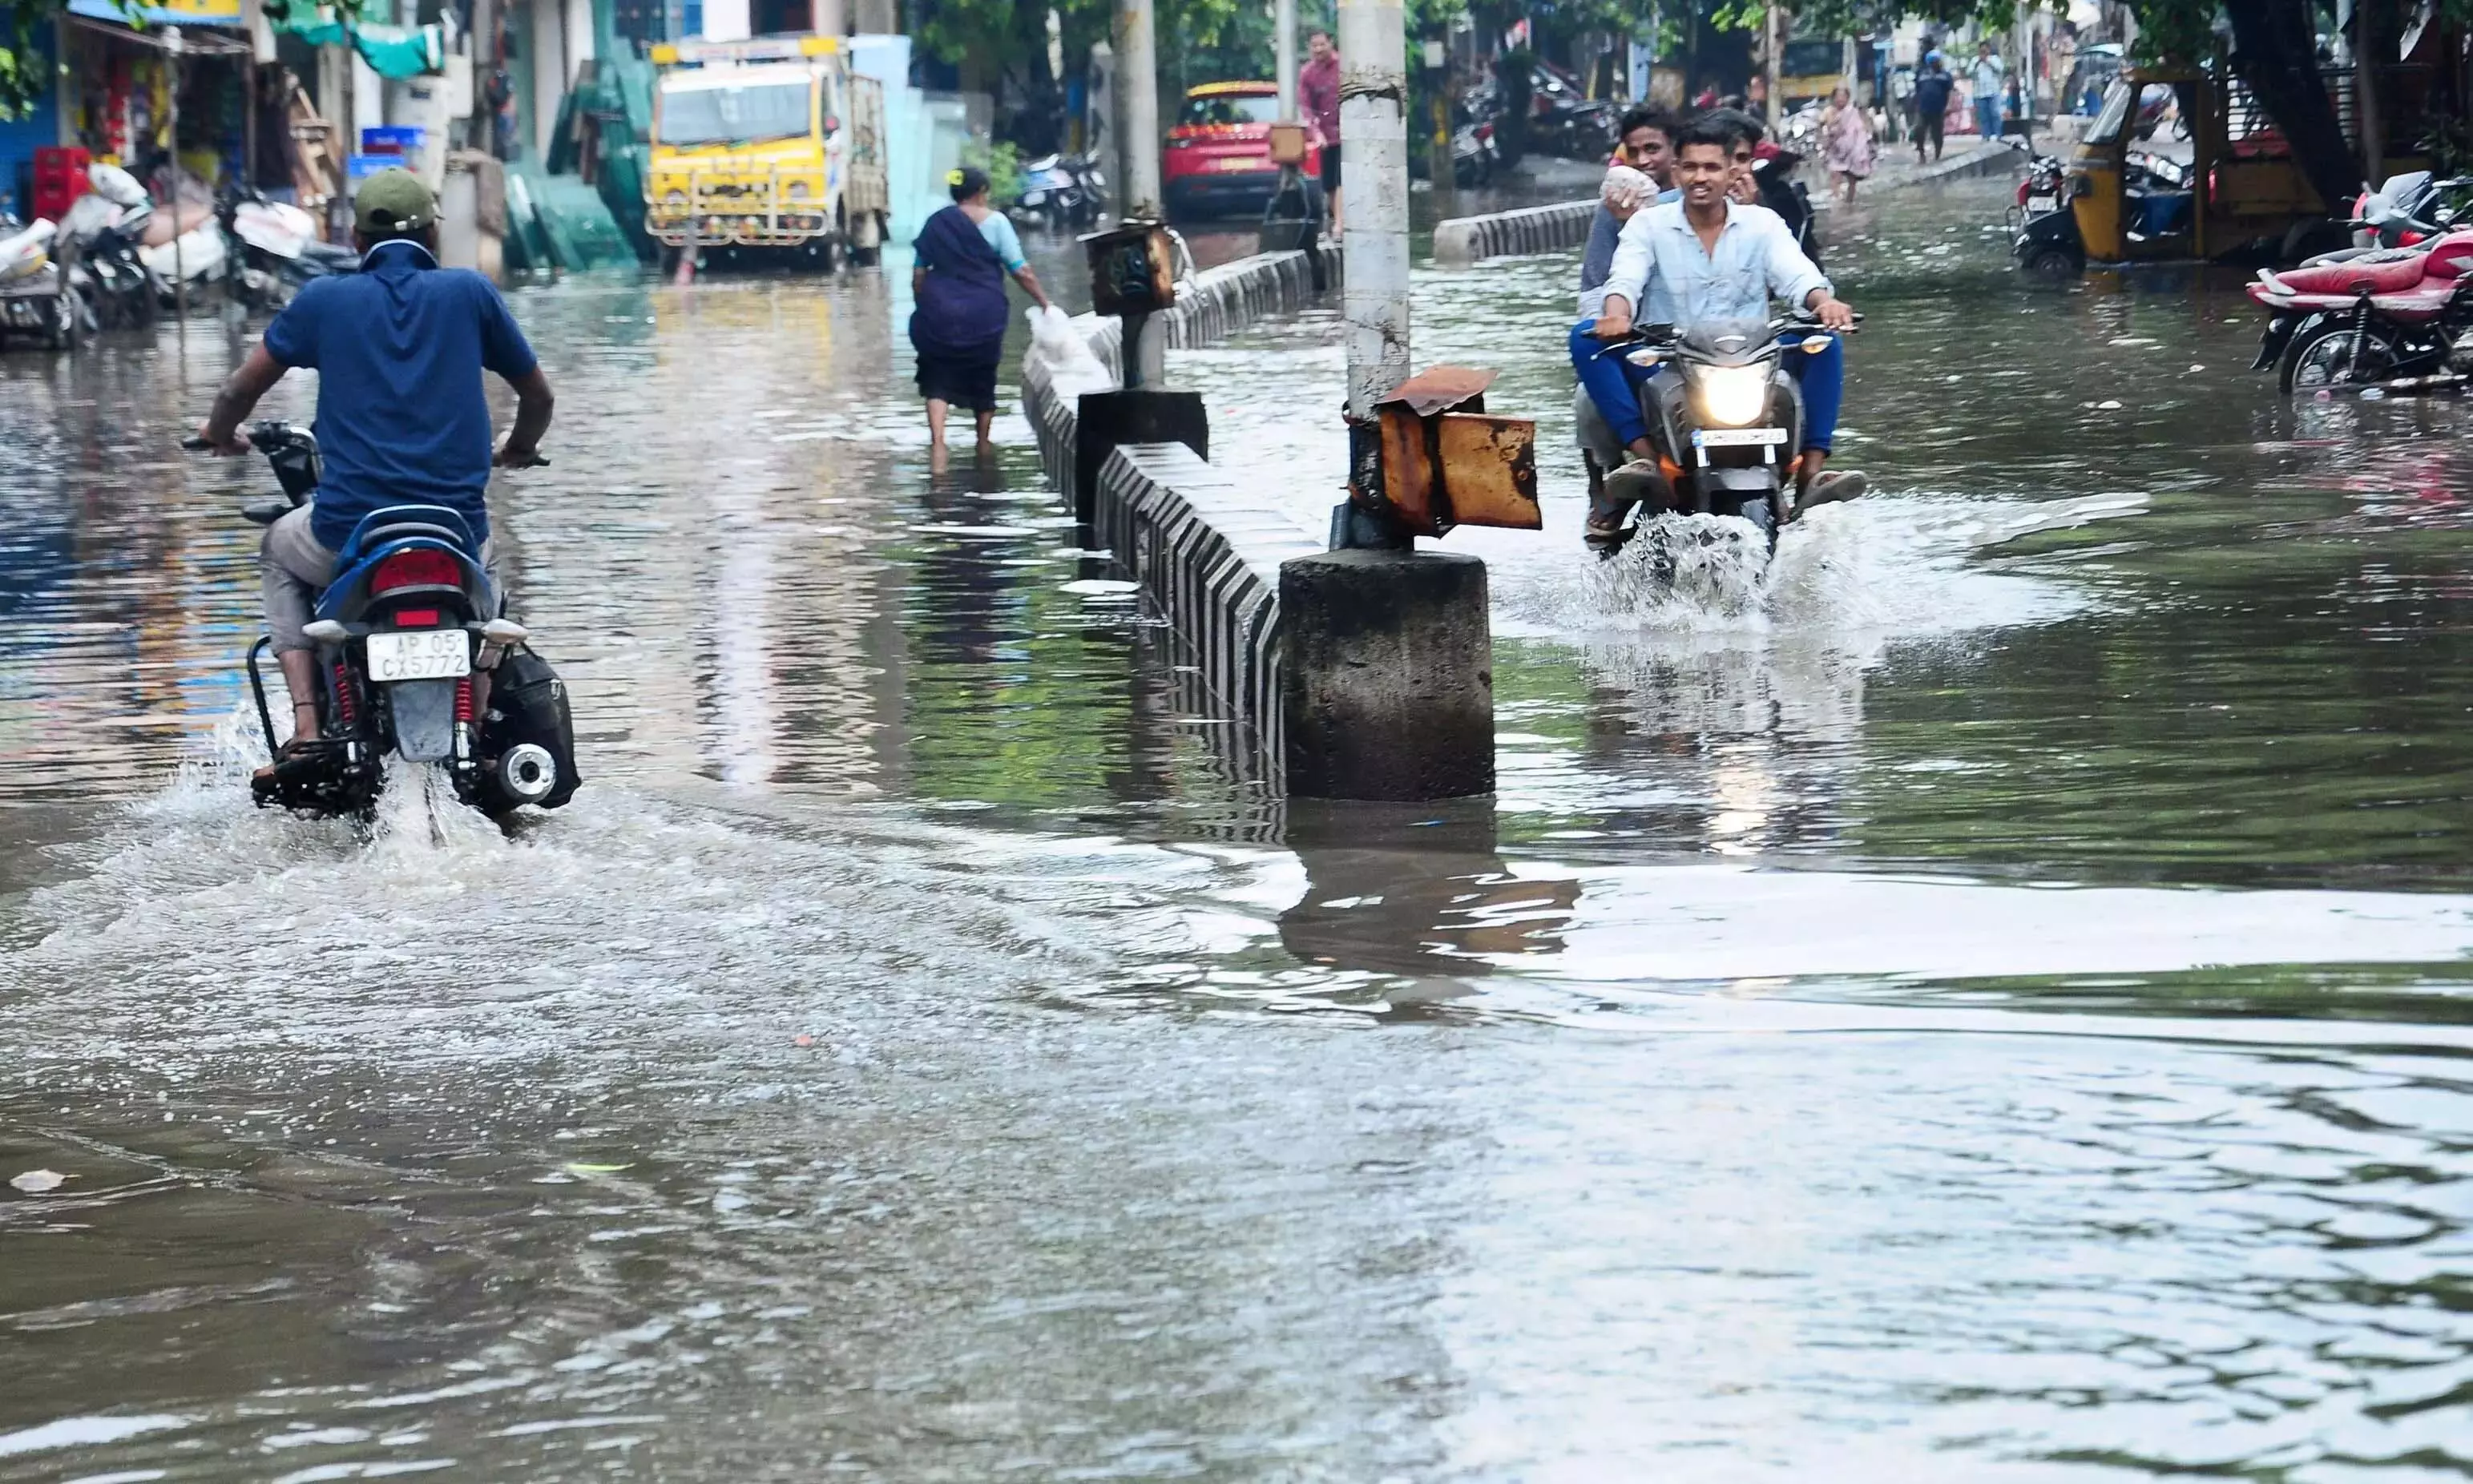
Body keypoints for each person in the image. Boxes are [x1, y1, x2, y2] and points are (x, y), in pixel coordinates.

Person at [195, 168, 554, 774]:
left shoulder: (324, 299)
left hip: (345, 534)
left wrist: (218, 433)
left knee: (279, 550)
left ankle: (308, 727)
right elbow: (538, 398)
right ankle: (477, 730)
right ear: (434, 237)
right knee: (487, 595)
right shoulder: (471, 294)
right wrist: (518, 446)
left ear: (358, 240)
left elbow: (240, 386)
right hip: (455, 531)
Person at [1567, 117, 1865, 548]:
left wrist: (1825, 303)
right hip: (1668, 361)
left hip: (1753, 361)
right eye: (1691, 168)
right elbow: (1624, 281)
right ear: (1677, 173)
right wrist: (1617, 315)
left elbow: (1798, 275)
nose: (1700, 177)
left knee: (1822, 342)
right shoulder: (1647, 226)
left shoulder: (1762, 224)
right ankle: (1648, 462)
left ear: (1731, 173)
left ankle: (1812, 471)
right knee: (1584, 340)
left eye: (1711, 168)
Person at [909, 167, 1051, 470]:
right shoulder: (997, 223)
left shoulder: (936, 223)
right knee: (983, 374)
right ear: (981, 191)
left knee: (936, 378)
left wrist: (926, 309)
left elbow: (919, 275)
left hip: (939, 311)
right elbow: (1020, 270)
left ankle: (938, 443)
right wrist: (1044, 302)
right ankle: (983, 443)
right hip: (982, 313)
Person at [1300, 30, 1343, 238]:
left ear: (1330, 43)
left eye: (1322, 45)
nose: (1318, 49)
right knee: (1329, 183)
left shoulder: (1344, 65)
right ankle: (1335, 222)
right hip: (1325, 135)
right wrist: (1316, 133)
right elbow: (1306, 107)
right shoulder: (1308, 73)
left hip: (1347, 131)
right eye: (1314, 46)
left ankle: (1340, 225)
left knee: (1342, 178)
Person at [1821, 84, 1875, 204]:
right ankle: (1836, 201)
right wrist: (1832, 126)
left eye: (1843, 96)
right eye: (1838, 96)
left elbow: (1860, 129)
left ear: (1848, 98)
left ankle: (1849, 202)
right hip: (1836, 149)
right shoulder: (1829, 111)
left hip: (1852, 151)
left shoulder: (1853, 112)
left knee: (1852, 178)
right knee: (1835, 174)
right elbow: (1825, 128)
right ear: (1834, 98)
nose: (1840, 99)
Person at [1612, 104, 1676, 191]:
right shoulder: (1615, 201)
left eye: (1652, 149)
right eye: (1633, 152)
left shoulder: (1692, 200)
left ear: (1674, 149)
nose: (1641, 161)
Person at [1912, 51, 1954, 162]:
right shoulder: (1921, 74)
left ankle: (1937, 154)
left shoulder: (1945, 75)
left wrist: (1949, 105)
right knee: (1919, 129)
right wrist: (1916, 104)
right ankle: (1921, 153)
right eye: (1935, 61)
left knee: (1937, 133)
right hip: (1923, 108)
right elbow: (1917, 90)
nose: (1937, 63)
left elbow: (1950, 92)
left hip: (1938, 109)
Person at [1971, 40, 2008, 142]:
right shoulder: (1975, 60)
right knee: (1984, 117)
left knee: (1995, 114)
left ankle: (1998, 135)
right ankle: (1985, 136)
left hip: (1993, 92)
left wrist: (1988, 61)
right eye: (1981, 49)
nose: (1983, 51)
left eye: (1985, 49)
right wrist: (1979, 62)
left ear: (1989, 49)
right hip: (1980, 94)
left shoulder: (1995, 59)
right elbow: (1969, 72)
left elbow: (2000, 69)